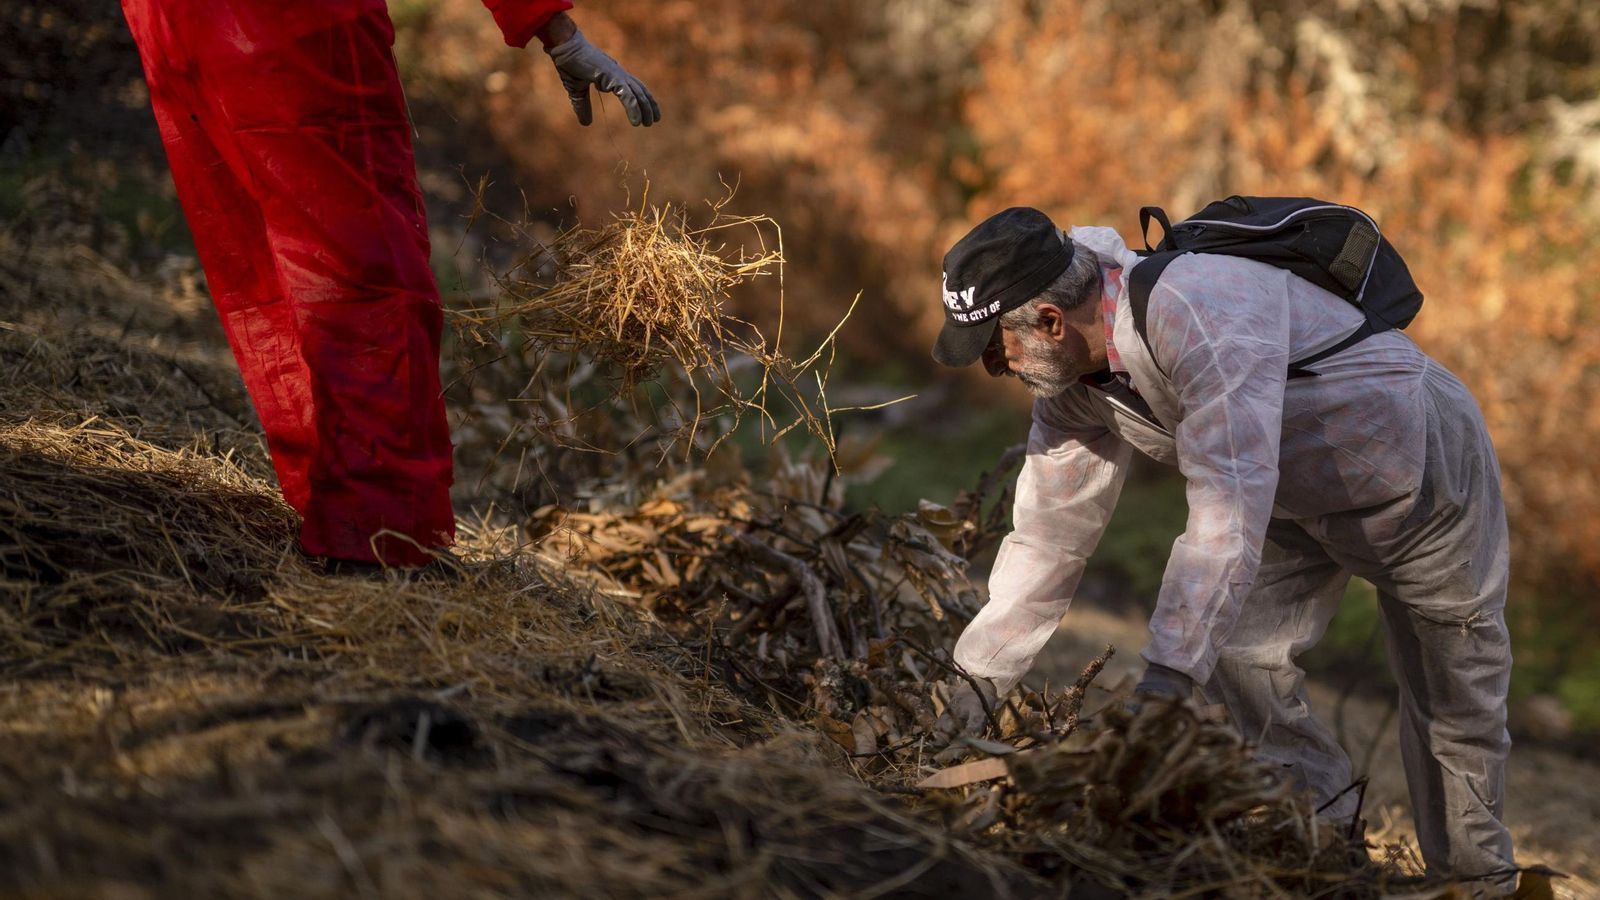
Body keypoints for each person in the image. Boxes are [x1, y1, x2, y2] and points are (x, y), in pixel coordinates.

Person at [932, 207, 1515, 890]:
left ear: (1051, 322)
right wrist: (969, 690)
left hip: (1416, 474)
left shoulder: (1197, 309)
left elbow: (1225, 503)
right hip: (1290, 498)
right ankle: (1325, 844)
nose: (994, 368)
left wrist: (1165, 679)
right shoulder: (1069, 387)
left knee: (1450, 697)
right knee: (1238, 656)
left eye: (992, 347)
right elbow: (1047, 539)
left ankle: (1474, 882)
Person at [119, 0, 659, 568]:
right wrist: (555, 29)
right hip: (292, 27)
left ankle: (341, 508)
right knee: (369, 273)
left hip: (175, 26)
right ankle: (374, 541)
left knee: (276, 252)